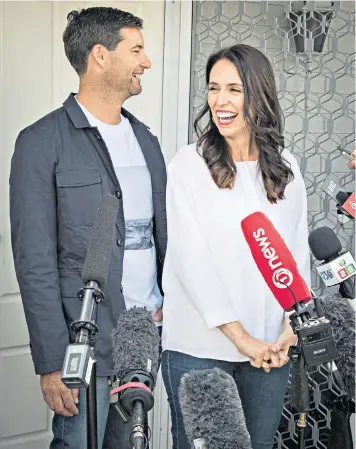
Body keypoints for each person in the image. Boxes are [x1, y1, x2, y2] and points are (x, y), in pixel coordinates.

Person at [9, 7, 166, 449]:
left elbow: (161, 238)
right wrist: (49, 359)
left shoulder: (146, 141)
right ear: (100, 55)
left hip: (144, 335)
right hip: (86, 344)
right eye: (136, 50)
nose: (146, 62)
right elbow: (34, 260)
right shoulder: (41, 143)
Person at [161, 44, 311, 449]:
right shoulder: (188, 166)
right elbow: (190, 261)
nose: (220, 102)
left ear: (259, 95)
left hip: (270, 351)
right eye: (213, 89)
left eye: (234, 89)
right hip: (200, 348)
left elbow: (295, 254)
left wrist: (290, 328)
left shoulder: (287, 167)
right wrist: (240, 337)